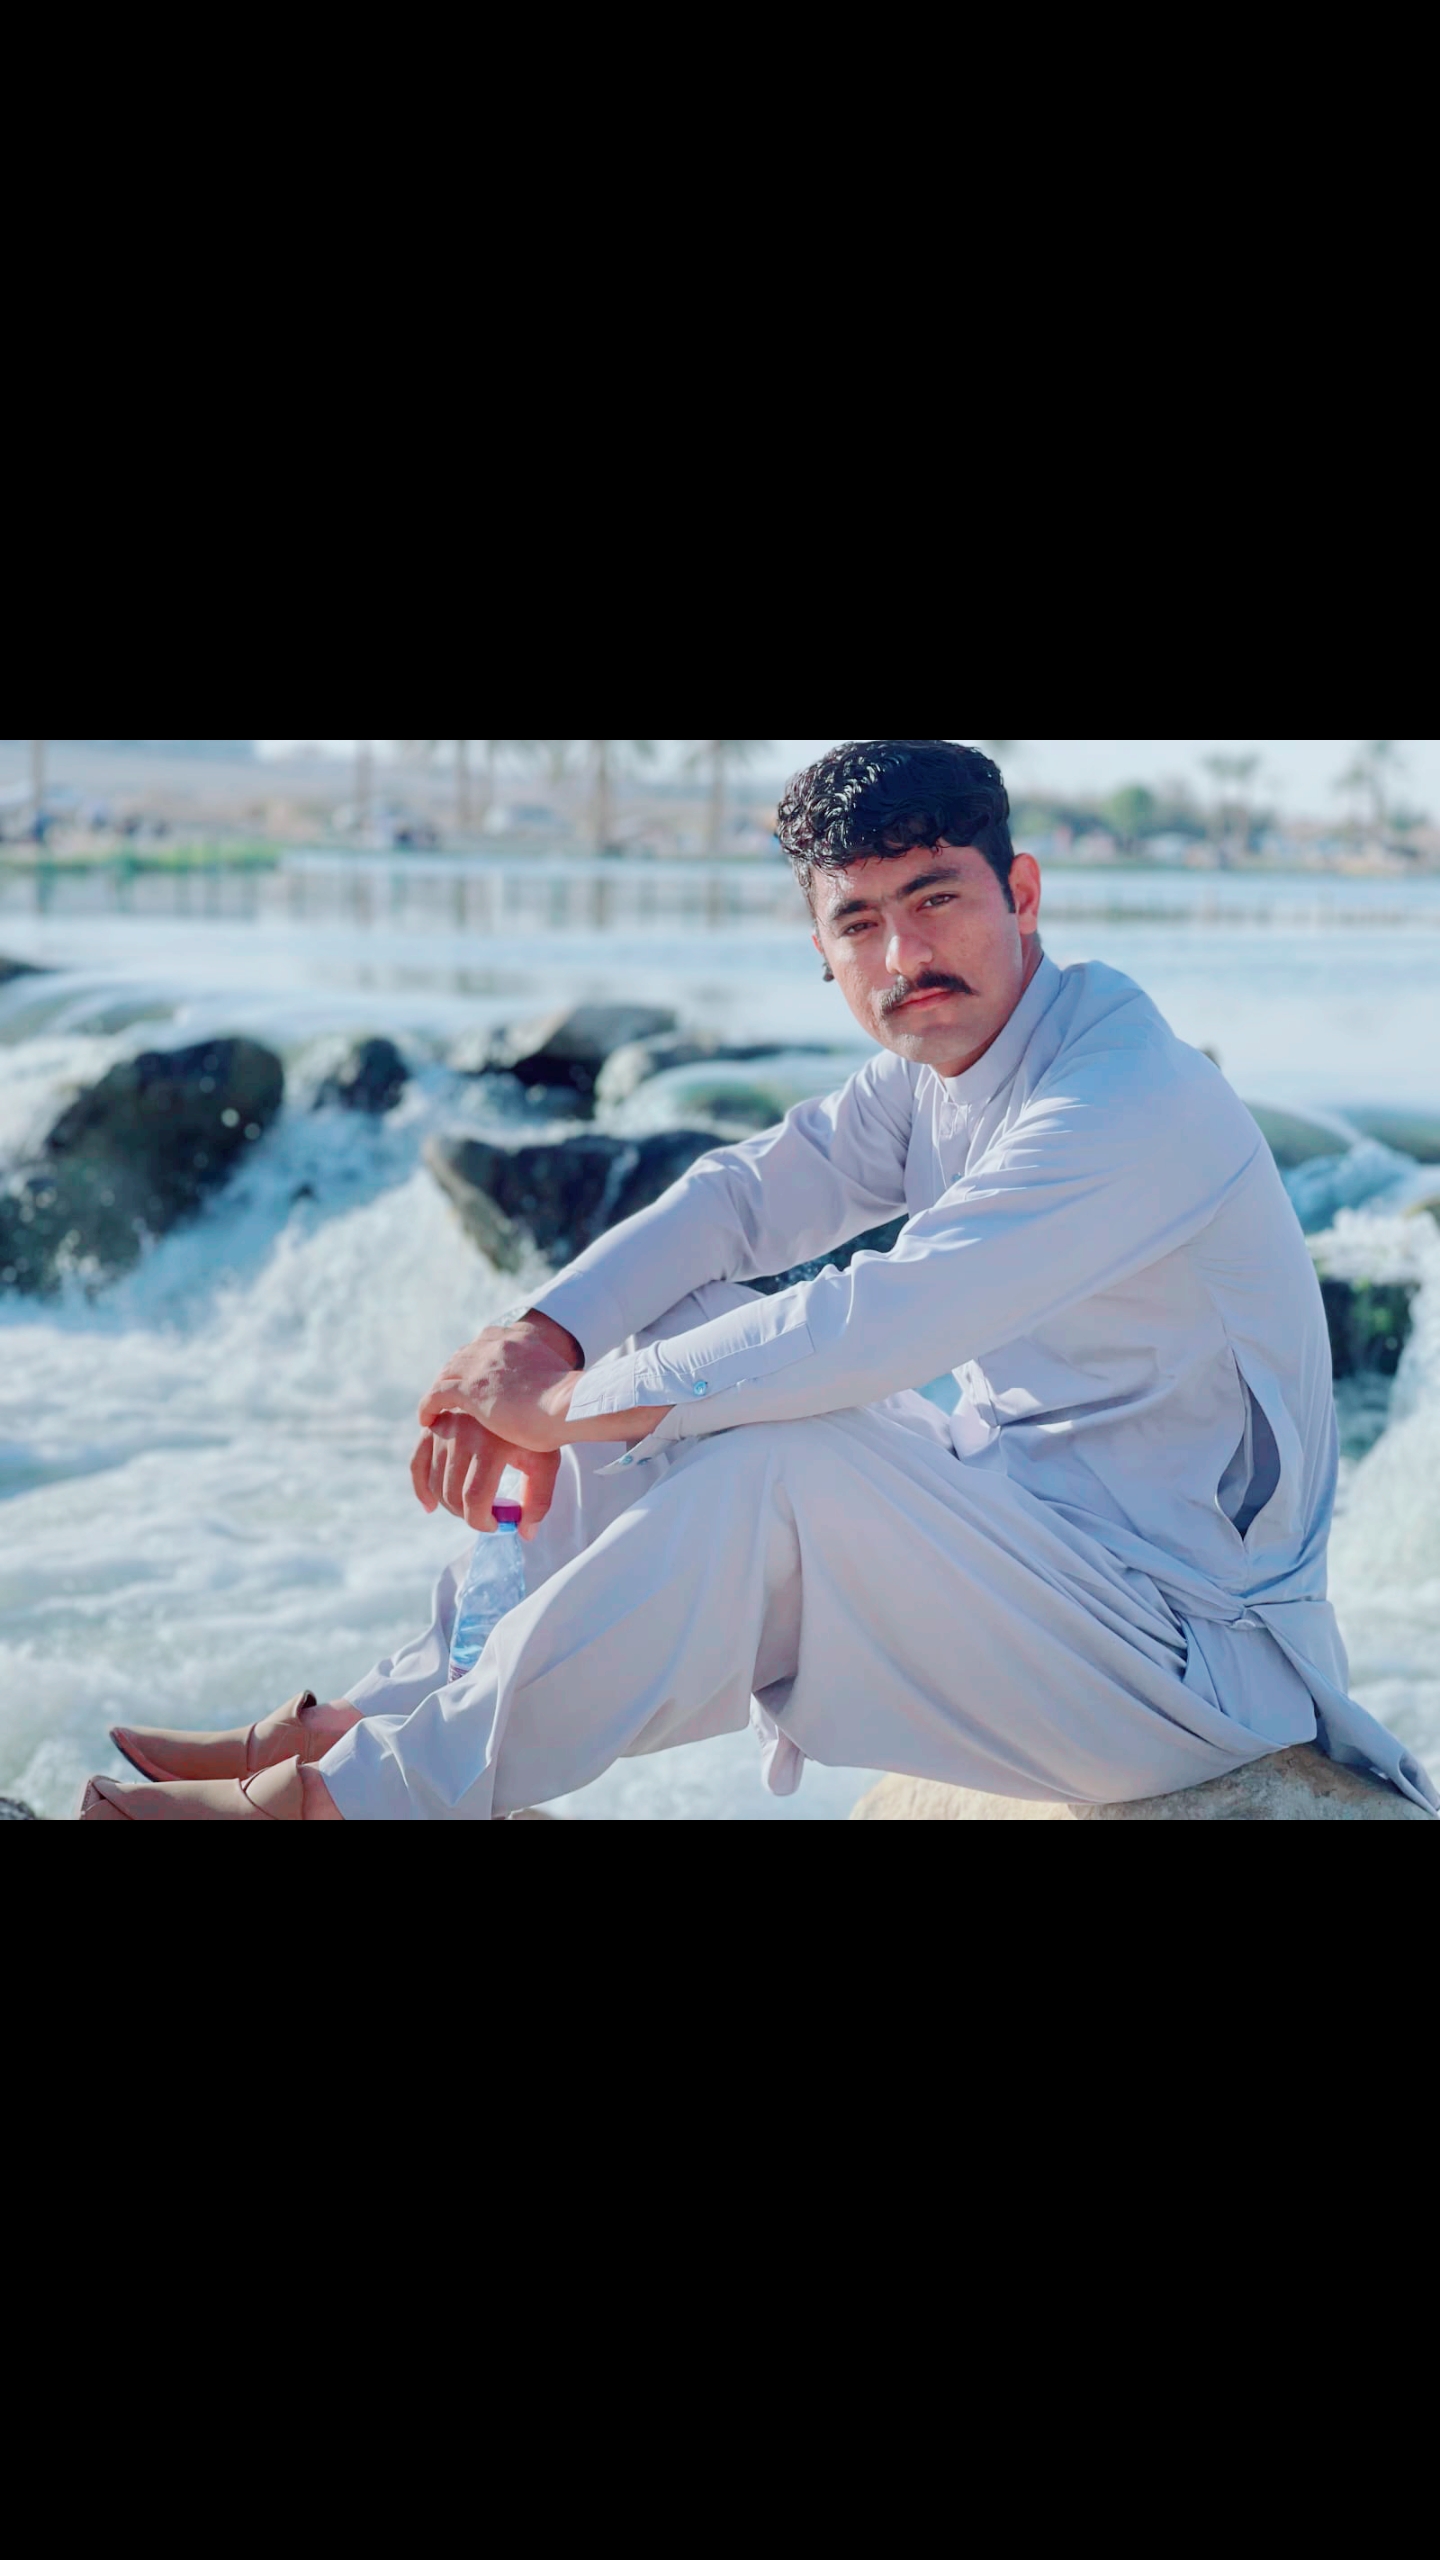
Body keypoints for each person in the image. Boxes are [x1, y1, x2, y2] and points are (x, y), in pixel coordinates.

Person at [81, 740, 1437, 1822]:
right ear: (823, 952)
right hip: (1036, 1558)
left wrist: (566, 1410)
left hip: (1194, 1656)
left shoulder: (1124, 1096)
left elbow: (876, 1323)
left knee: (772, 1455)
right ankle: (382, 1717)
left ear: (1022, 896)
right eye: (861, 922)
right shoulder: (942, 1069)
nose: (905, 957)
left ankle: (368, 1799)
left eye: (939, 900)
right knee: (677, 1333)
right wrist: (543, 1341)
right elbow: (741, 1199)